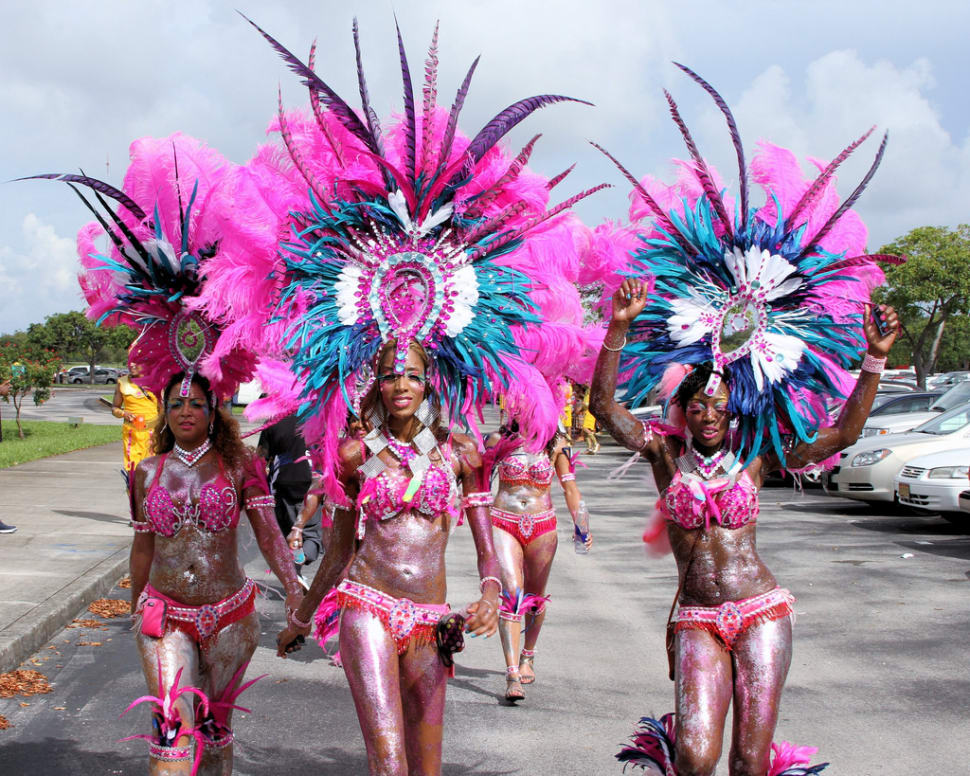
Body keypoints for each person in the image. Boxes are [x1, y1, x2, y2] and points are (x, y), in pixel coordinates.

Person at [589, 66, 903, 776]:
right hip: (696, 617)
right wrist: (617, 330)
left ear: (738, 407)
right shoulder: (667, 455)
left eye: (719, 405)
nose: (707, 413)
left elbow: (842, 438)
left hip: (760, 612)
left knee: (748, 763)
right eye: (697, 403)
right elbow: (602, 410)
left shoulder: (759, 452)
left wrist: (873, 363)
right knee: (696, 760)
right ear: (684, 406)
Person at [276, 341, 500, 775]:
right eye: (390, 375)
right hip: (368, 608)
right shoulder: (357, 456)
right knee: (390, 763)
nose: (401, 385)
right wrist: (301, 619)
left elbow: (488, 552)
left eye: (413, 375)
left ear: (429, 382)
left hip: (430, 619)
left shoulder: (461, 454)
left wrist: (490, 597)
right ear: (376, 384)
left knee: (426, 766)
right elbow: (339, 553)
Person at [129, 372, 303, 774]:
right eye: (176, 403)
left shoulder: (241, 465)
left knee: (214, 730)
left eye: (195, 404)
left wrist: (295, 591)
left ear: (213, 412)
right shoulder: (147, 471)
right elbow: (142, 544)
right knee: (171, 733)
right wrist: (135, 602)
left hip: (231, 618)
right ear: (164, 412)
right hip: (165, 615)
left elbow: (269, 534)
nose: (185, 411)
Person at [487, 420, 592, 702]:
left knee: (534, 597)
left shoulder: (557, 443)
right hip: (502, 522)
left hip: (542, 526)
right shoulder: (498, 439)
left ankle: (527, 656)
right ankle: (511, 674)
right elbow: (479, 483)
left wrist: (582, 525)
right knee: (513, 594)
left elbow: (570, 488)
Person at [257, 412, 318, 588]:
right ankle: (297, 566)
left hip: (281, 485)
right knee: (312, 536)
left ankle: (295, 574)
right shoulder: (314, 417)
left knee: (288, 534)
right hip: (310, 485)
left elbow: (261, 459)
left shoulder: (273, 420)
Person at [111, 361, 160, 474]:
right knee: (133, 470)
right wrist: (124, 413)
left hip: (152, 435)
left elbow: (162, 409)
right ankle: (133, 491)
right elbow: (114, 409)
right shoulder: (122, 382)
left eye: (136, 362)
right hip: (132, 435)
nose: (132, 365)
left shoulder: (155, 381)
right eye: (130, 362)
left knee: (152, 469)